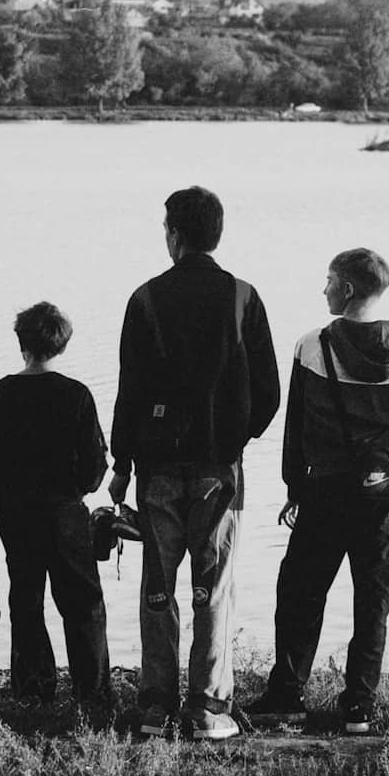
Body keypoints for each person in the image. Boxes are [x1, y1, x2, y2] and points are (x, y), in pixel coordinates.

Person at [247, 248, 389, 734]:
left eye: (328, 281)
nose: (323, 288)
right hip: (379, 490)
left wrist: (293, 488)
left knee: (300, 591)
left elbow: (296, 426)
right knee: (373, 597)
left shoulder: (311, 345)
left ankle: (287, 693)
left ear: (346, 289)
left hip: (324, 490)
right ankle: (359, 707)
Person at [109, 186, 280, 740]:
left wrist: (121, 462)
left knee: (158, 589)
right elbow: (270, 392)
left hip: (157, 469)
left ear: (176, 235)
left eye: (165, 229)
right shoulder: (244, 297)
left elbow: (129, 391)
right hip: (218, 469)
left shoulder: (144, 299)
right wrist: (234, 436)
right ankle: (208, 711)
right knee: (213, 587)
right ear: (217, 234)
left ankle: (155, 708)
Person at [0, 301, 110, 705]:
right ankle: (92, 694)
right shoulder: (76, 395)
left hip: (16, 516)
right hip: (64, 515)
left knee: (26, 601)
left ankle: (33, 692)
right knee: (81, 604)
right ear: (61, 344)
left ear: (20, 342)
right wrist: (80, 487)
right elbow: (95, 468)